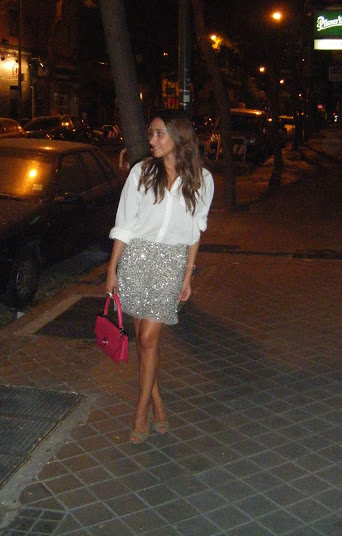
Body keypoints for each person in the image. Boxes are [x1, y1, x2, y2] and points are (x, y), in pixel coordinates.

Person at [105, 110, 214, 444]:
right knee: (142, 339)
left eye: (158, 134)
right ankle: (158, 402)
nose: (151, 140)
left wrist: (188, 275)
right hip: (135, 258)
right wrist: (112, 270)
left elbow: (195, 232)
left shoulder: (202, 180)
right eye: (151, 133)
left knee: (149, 338)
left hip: (171, 262)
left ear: (178, 138)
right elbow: (125, 224)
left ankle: (141, 410)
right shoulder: (141, 173)